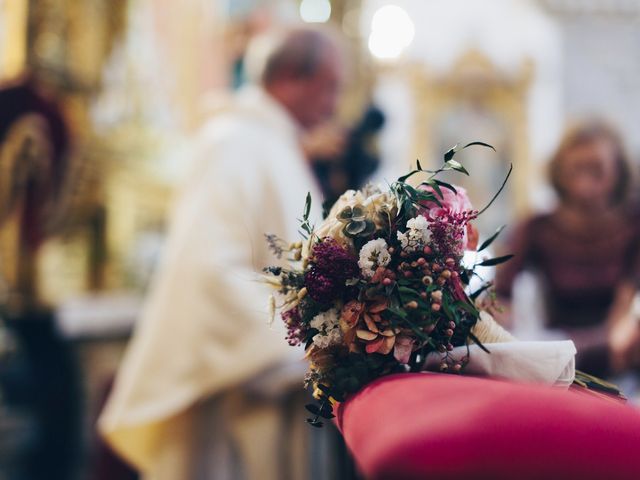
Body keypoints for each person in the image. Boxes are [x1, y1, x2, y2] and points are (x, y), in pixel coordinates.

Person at [98, 27, 344, 479]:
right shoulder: (233, 142)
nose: (335, 104)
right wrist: (301, 344)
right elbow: (208, 269)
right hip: (238, 395)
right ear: (291, 76)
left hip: (272, 385)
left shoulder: (273, 144)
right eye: (331, 85)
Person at [495, 120, 640, 377]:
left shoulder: (633, 226)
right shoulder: (536, 227)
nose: (584, 185)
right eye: (576, 171)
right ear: (560, 172)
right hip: (558, 355)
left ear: (618, 171)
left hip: (623, 354)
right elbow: (499, 296)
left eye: (596, 171)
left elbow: (627, 309)